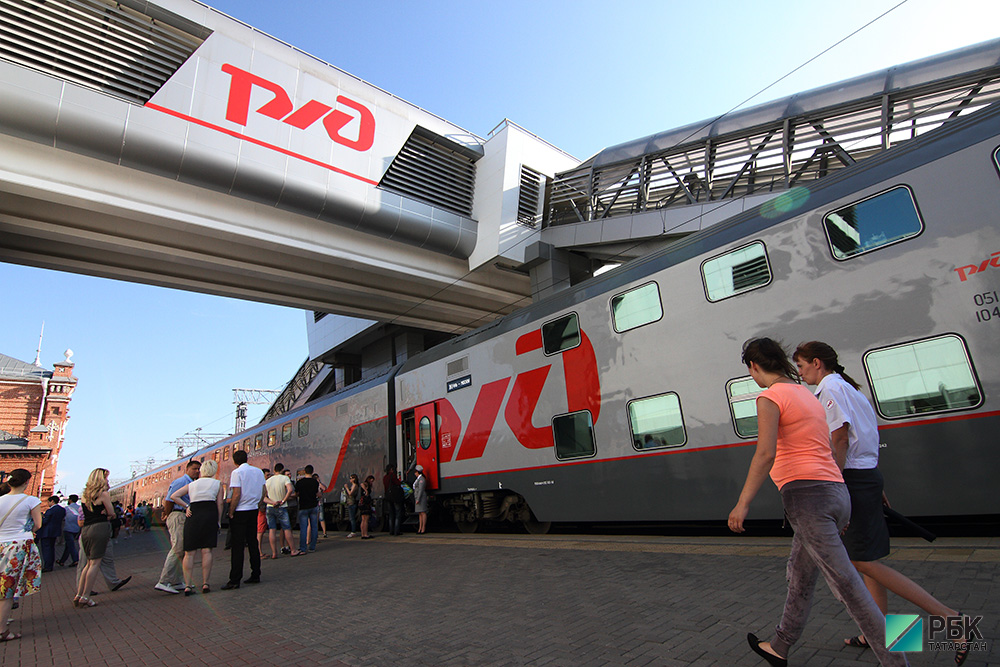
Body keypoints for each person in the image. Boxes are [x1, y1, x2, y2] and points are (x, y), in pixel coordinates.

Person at [727, 338, 905, 667]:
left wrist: (743, 502)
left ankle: (903, 657)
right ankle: (779, 646)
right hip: (836, 493)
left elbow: (766, 452)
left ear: (753, 367)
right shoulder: (807, 396)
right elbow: (828, 445)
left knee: (852, 585)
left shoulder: (771, 398)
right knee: (801, 574)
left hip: (809, 499)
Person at [794, 341, 969, 665]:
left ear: (817, 363)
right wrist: (873, 483)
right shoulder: (852, 389)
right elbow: (867, 438)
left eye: (802, 366)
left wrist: (834, 483)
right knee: (868, 561)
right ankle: (879, 634)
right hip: (868, 477)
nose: (800, 373)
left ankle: (951, 619)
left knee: (864, 564)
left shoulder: (830, 391)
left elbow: (840, 438)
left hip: (853, 480)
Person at [169, 459, 224, 595]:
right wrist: (218, 521)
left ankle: (188, 586)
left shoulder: (192, 484)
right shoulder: (217, 484)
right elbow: (220, 505)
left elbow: (174, 496)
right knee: (207, 551)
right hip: (209, 514)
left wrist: (187, 506)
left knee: (189, 552)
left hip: (193, 515)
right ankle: (205, 584)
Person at [0, 468, 43, 640]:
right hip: (18, 546)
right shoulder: (31, 500)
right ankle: (2, 630)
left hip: (1, 544)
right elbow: (38, 524)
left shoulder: (1, 500)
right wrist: (28, 531)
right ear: (26, 482)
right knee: (8, 590)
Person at [155, 459, 201, 594]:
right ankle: (164, 581)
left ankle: (177, 580)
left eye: (199, 469)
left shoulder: (191, 483)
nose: (197, 471)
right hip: (177, 515)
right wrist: (168, 516)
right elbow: (169, 500)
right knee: (178, 548)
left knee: (182, 549)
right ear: (187, 469)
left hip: (183, 516)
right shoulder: (181, 482)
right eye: (194, 469)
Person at [224, 449, 267, 590]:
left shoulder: (237, 473)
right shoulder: (258, 472)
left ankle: (235, 579)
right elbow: (264, 492)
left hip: (240, 511)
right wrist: (257, 503)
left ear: (234, 461)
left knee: (237, 546)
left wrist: (231, 512)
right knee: (253, 543)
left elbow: (236, 494)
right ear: (247, 458)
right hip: (253, 510)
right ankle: (256, 574)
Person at [75, 468, 116, 608]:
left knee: (87, 564)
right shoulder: (103, 494)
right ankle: (86, 597)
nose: (107, 481)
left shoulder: (84, 495)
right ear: (101, 479)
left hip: (86, 529)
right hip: (100, 528)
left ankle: (79, 594)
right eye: (106, 478)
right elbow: (111, 513)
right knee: (94, 564)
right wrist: (108, 512)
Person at [265, 463, 296, 557]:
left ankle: (274, 553)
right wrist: (283, 500)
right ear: (282, 470)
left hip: (270, 507)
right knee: (287, 529)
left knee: (272, 530)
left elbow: (263, 497)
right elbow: (290, 490)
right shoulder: (285, 478)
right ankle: (293, 550)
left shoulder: (268, 480)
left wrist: (272, 502)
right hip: (282, 507)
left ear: (274, 470)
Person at [294, 465, 320, 553]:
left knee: (303, 528)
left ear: (304, 471)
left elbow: (296, 493)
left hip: (303, 506)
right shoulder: (315, 482)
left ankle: (303, 548)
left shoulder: (299, 483)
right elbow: (317, 493)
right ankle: (312, 547)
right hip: (313, 506)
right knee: (314, 527)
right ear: (312, 472)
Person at [37, 495, 65, 572]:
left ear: (52, 501)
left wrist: (42, 517)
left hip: (46, 532)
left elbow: (45, 521)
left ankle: (47, 566)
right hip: (55, 531)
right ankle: (50, 565)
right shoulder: (62, 510)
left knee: (46, 549)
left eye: (48, 502)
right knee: (52, 549)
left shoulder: (50, 511)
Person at [57, 493, 81, 567]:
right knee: (68, 545)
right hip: (77, 528)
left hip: (68, 528)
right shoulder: (80, 508)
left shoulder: (67, 509)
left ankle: (76, 560)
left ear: (70, 500)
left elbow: (62, 518)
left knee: (71, 545)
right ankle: (62, 560)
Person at [383, 464, 405, 536]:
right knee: (397, 514)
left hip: (388, 497)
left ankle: (391, 531)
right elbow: (398, 483)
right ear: (391, 469)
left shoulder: (385, 477)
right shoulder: (393, 476)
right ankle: (396, 531)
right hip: (395, 497)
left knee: (391, 514)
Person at [413, 465, 428, 534]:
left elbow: (421, 490)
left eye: (415, 472)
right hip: (418, 497)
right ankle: (420, 528)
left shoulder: (421, 479)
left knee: (423, 512)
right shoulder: (418, 479)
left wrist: (418, 499)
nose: (414, 473)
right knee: (420, 513)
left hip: (421, 498)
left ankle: (423, 528)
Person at [313, 473, 328, 538]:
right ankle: (316, 534)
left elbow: (324, 488)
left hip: (320, 503)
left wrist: (319, 483)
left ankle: (324, 533)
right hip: (314, 503)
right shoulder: (312, 485)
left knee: (321, 518)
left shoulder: (319, 484)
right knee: (315, 519)